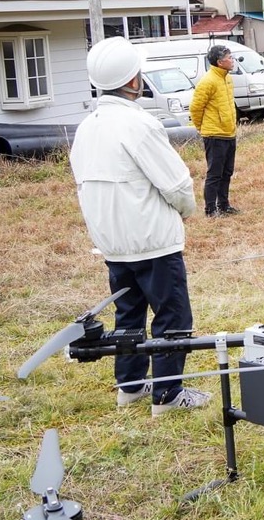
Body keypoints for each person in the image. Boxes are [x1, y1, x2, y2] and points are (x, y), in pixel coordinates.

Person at [69, 37, 211, 416]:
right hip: (152, 239)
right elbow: (176, 184)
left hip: (112, 241)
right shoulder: (139, 123)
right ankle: (167, 395)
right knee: (172, 317)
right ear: (132, 80)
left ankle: (129, 387)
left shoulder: (87, 126)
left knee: (127, 314)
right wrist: (186, 211)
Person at [190, 44, 239, 217]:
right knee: (215, 173)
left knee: (227, 171)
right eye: (229, 58)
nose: (232, 60)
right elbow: (195, 108)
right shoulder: (208, 80)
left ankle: (224, 205)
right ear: (219, 62)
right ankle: (210, 209)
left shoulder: (227, 78)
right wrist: (202, 128)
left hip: (229, 132)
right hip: (214, 134)